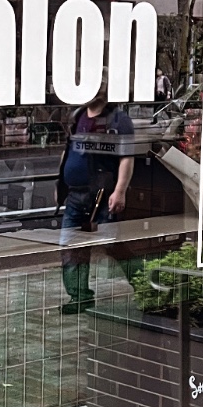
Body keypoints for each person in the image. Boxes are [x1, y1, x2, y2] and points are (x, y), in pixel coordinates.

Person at [55, 79, 135, 314]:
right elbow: (68, 150)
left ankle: (145, 284)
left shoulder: (118, 120)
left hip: (102, 193)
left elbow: (126, 157)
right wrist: (61, 184)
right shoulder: (78, 115)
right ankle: (79, 297)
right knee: (70, 246)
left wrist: (120, 190)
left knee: (112, 245)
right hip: (76, 194)